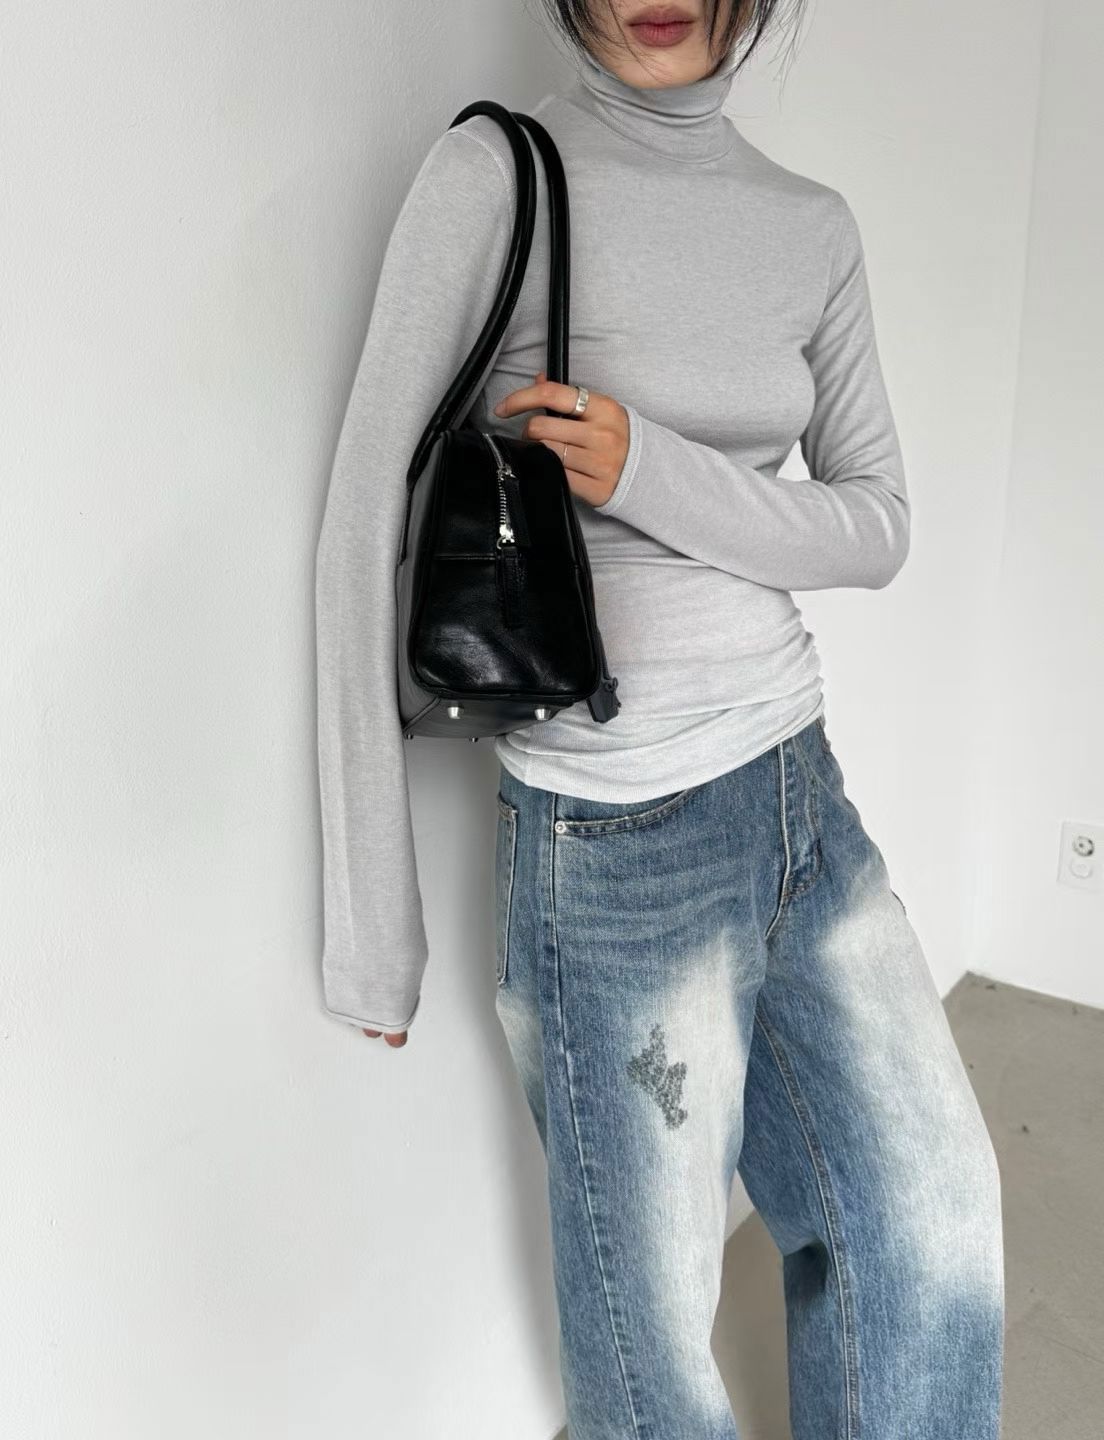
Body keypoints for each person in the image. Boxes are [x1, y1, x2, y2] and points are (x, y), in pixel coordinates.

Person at [313, 1, 1006, 1434]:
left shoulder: (810, 226)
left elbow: (876, 526)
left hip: (800, 794)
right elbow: (363, 518)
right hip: (613, 842)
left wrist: (646, 469)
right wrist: (374, 928)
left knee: (928, 1231)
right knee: (654, 1379)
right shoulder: (496, 179)